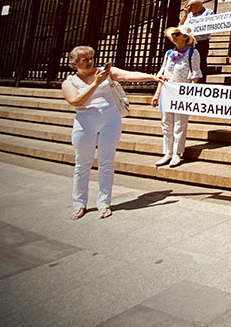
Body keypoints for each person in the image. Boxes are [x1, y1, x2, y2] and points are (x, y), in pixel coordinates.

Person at [60, 45, 158, 219]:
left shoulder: (105, 72)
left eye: (90, 57)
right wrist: (96, 84)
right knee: (82, 164)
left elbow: (129, 75)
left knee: (106, 162)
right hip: (85, 123)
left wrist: (154, 77)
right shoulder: (69, 82)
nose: (89, 62)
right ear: (74, 63)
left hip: (110, 120)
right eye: (84, 59)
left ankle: (104, 203)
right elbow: (76, 101)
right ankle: (79, 203)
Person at [151, 27, 202, 167]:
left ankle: (177, 153)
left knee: (180, 123)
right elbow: (163, 74)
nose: (174, 36)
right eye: (173, 34)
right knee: (166, 123)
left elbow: (195, 75)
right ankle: (167, 152)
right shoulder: (169, 53)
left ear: (185, 37)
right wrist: (157, 94)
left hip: (182, 92)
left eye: (177, 34)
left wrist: (191, 94)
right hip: (167, 92)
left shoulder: (192, 53)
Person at [180, 0, 212, 83]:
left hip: (202, 41)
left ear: (199, 6)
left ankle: (201, 82)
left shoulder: (208, 13)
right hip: (190, 42)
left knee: (201, 62)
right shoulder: (189, 15)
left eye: (191, 6)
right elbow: (181, 25)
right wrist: (185, 15)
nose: (189, 8)